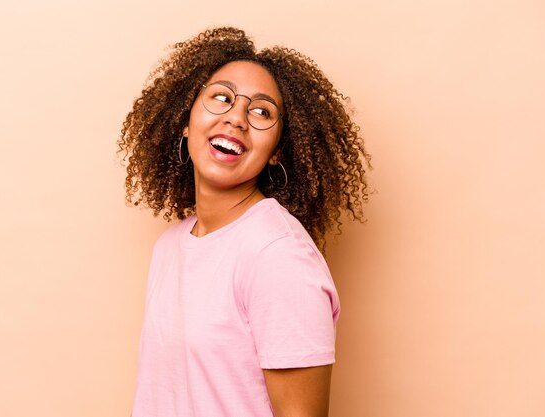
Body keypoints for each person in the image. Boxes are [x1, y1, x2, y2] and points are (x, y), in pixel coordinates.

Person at [118, 27, 370, 417]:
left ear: (276, 153)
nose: (236, 117)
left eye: (261, 111)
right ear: (186, 122)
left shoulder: (279, 256)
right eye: (221, 97)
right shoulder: (170, 245)